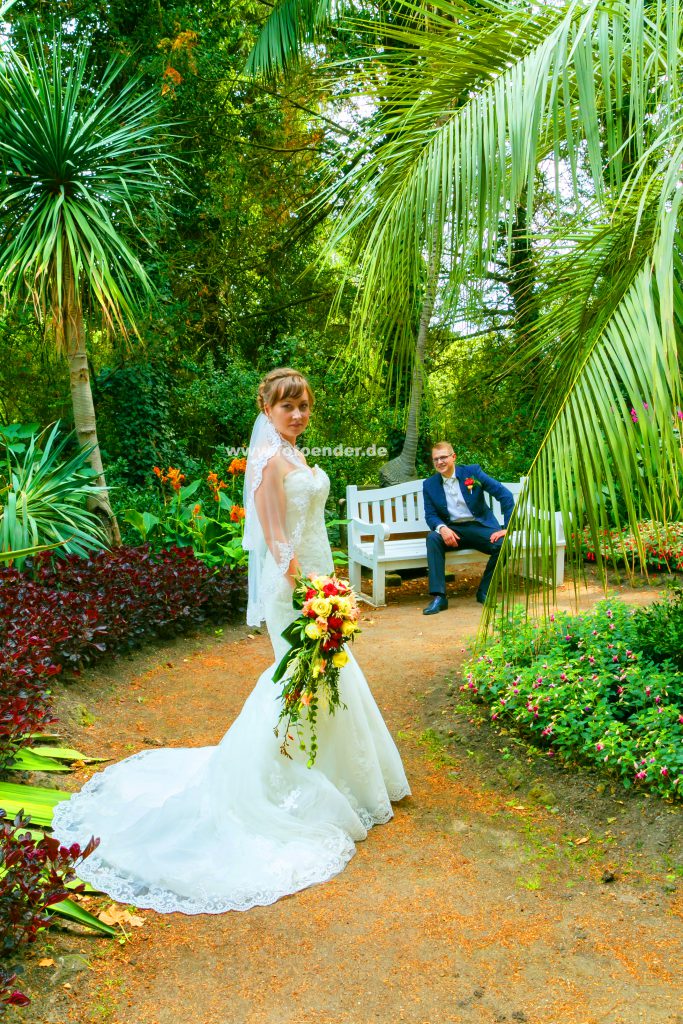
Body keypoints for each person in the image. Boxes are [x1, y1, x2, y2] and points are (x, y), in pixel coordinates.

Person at [52, 368, 410, 914]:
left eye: (303, 405)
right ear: (266, 410)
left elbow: (312, 525)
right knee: (299, 676)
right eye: (286, 406)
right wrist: (312, 594)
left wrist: (332, 581)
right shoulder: (269, 461)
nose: (296, 414)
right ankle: (280, 782)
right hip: (293, 590)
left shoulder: (297, 455)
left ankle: (342, 777)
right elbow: (273, 536)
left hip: (318, 580)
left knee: (328, 677)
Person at [422, 442, 514, 614]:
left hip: (479, 527)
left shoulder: (472, 473)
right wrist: (442, 528)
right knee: (432, 538)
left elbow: (505, 495)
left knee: (504, 545)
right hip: (453, 532)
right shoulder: (429, 485)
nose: (440, 462)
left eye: (443, 457)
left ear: (453, 457)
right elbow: (430, 515)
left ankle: (484, 591)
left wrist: (507, 528)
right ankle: (439, 597)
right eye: (436, 459)